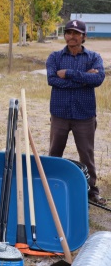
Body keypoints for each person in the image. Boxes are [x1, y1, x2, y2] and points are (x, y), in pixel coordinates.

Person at [46, 20, 106, 205]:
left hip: (84, 115)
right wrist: (84, 78)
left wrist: (70, 73)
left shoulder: (93, 57)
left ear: (84, 36)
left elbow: (98, 78)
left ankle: (91, 191)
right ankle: (49, 188)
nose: (71, 36)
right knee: (55, 153)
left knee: (86, 154)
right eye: (68, 32)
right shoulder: (55, 57)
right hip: (60, 114)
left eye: (76, 33)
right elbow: (52, 80)